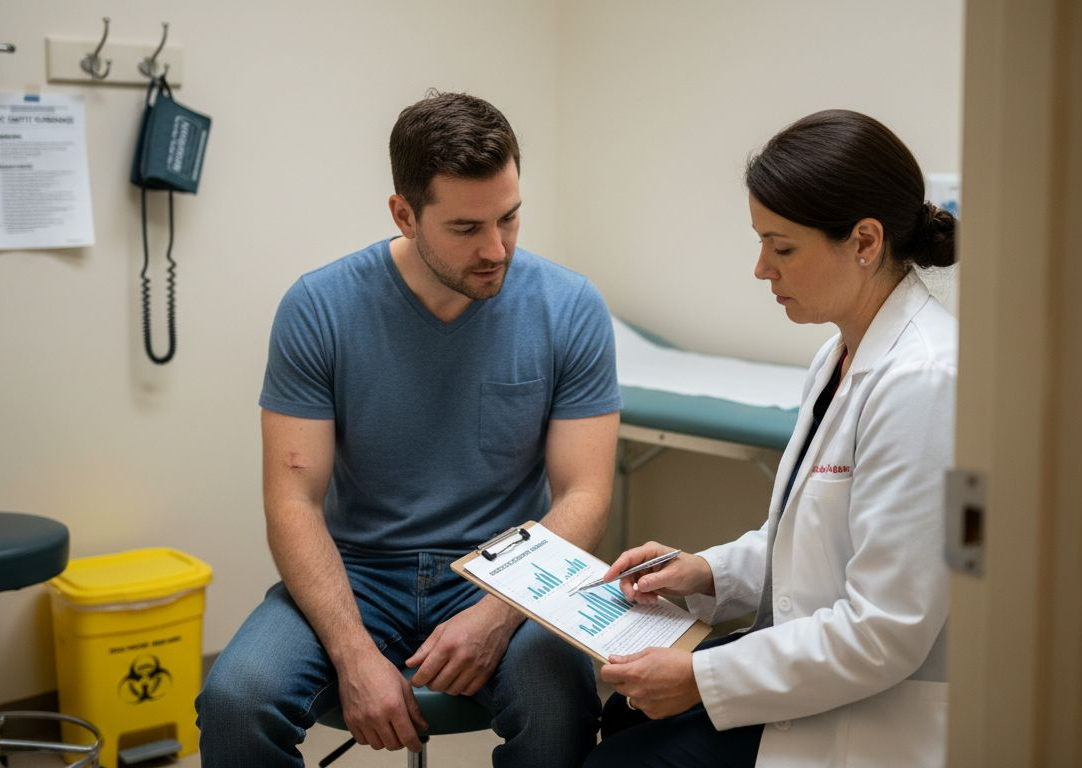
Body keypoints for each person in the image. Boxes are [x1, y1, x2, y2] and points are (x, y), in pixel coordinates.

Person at [196, 91, 621, 768]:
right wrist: (353, 653)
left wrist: (499, 613)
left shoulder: (569, 308)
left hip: (504, 571)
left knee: (562, 703)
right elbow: (293, 501)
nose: (495, 248)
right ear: (403, 213)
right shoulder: (321, 307)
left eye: (509, 218)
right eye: (464, 228)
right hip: (358, 571)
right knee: (235, 699)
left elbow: (585, 496)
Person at [583, 109, 958, 768]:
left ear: (865, 241)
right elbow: (808, 544)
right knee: (621, 709)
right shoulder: (840, 353)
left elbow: (885, 632)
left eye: (781, 247)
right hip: (813, 667)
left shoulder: (923, 381)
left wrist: (700, 679)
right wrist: (704, 571)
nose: (762, 269)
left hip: (872, 710)